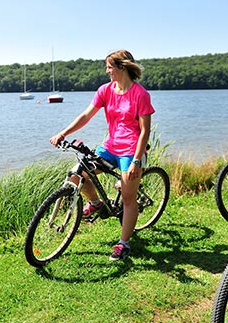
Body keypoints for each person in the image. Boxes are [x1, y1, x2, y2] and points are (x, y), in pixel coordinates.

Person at [50, 50, 154, 261]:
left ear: (122, 67)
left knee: (127, 197)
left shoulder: (140, 94)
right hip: (110, 147)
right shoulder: (105, 90)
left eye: (109, 67)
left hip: (132, 150)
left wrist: (136, 160)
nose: (107, 71)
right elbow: (86, 115)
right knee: (78, 174)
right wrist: (63, 133)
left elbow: (145, 131)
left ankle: (124, 244)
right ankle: (97, 204)